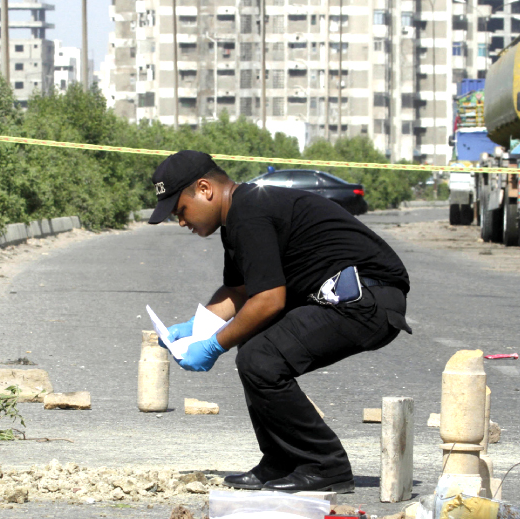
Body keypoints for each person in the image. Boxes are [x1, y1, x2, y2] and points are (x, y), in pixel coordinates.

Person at [148, 150, 412, 493]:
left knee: (261, 358)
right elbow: (240, 290)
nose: (181, 222)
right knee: (255, 348)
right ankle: (282, 460)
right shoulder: (238, 217)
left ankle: (325, 464)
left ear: (204, 189)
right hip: (353, 298)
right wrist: (196, 326)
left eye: (180, 210)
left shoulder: (250, 212)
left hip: (368, 299)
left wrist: (214, 345)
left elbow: (270, 299)